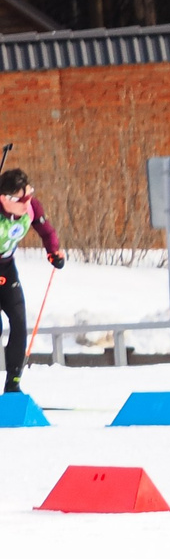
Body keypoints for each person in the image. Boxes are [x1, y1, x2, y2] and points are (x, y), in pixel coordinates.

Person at [0, 166, 66, 395]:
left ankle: (13, 385)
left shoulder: (31, 207)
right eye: (21, 199)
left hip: (7, 268)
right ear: (4, 199)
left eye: (28, 195)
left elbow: (47, 232)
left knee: (19, 322)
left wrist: (53, 252)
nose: (27, 202)